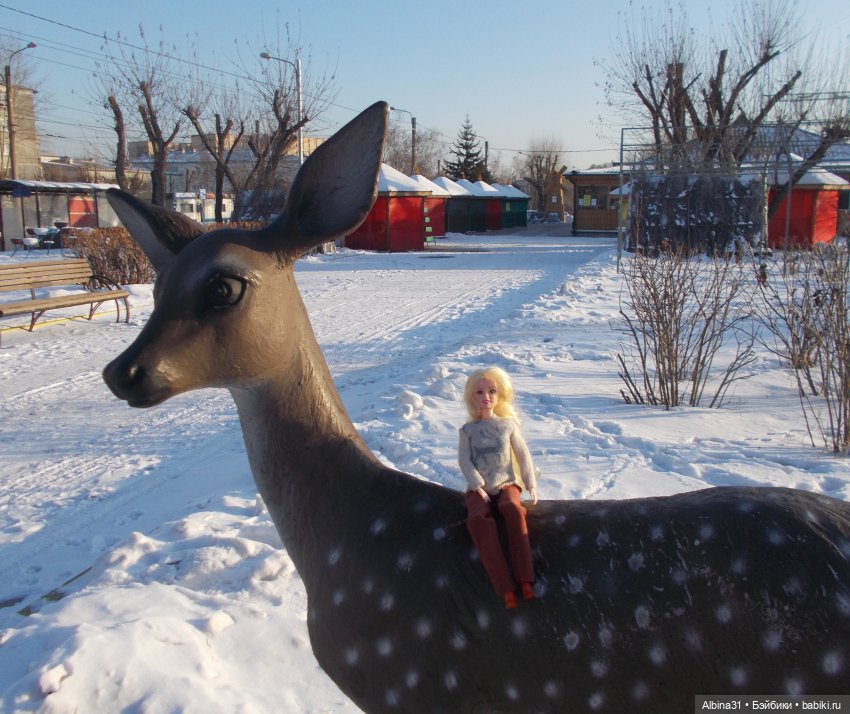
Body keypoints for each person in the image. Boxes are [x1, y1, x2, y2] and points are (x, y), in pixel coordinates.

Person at [458, 367, 538, 609]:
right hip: (478, 489)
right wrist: (477, 485)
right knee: (477, 520)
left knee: (513, 509)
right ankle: (505, 587)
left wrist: (530, 482)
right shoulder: (468, 431)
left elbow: (523, 455)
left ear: (500, 394)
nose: (486, 397)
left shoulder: (507, 425)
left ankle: (525, 579)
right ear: (472, 397)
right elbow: (464, 460)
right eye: (479, 392)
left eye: (492, 391)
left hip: (506, 483)